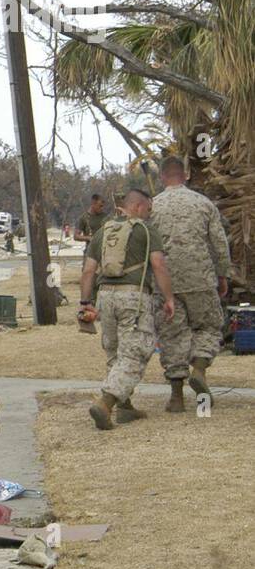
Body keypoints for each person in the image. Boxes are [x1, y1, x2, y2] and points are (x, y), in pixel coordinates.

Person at [78, 188, 175, 430]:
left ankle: (124, 406)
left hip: (105, 297)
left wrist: (85, 302)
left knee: (114, 351)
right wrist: (169, 297)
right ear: (140, 207)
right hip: (133, 296)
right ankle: (106, 402)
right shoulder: (145, 229)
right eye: (148, 209)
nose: (149, 213)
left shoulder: (103, 232)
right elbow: (158, 264)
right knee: (135, 352)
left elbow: (89, 270)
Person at [150, 155, 232, 412]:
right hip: (201, 279)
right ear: (185, 174)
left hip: (165, 284)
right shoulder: (204, 203)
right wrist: (223, 274)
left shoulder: (152, 206)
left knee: (171, 334)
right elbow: (219, 244)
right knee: (208, 326)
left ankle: (176, 396)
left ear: (162, 177)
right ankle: (199, 368)